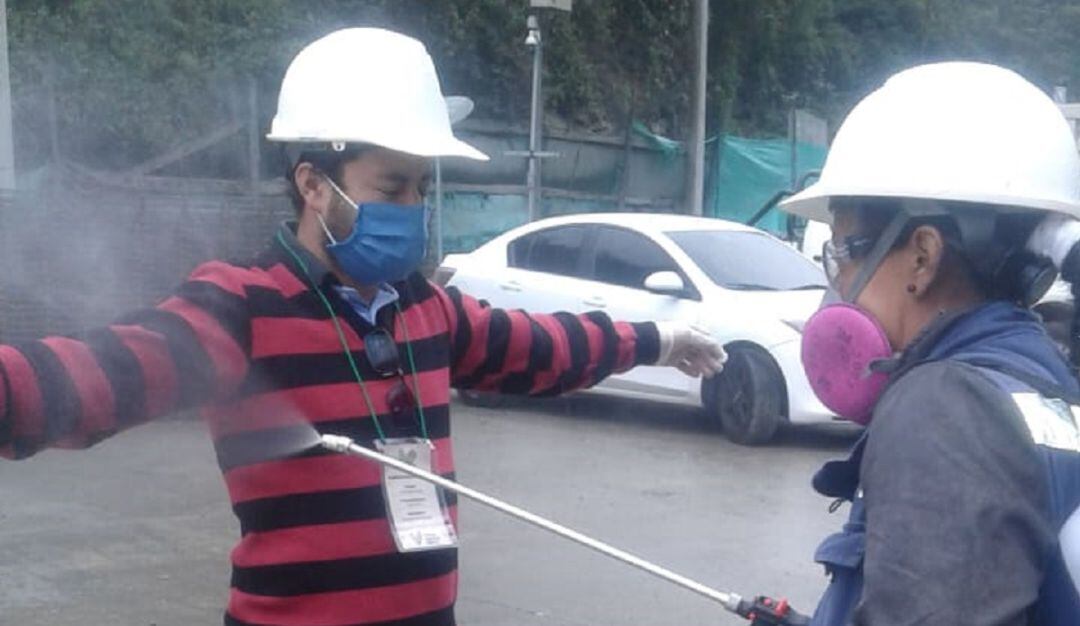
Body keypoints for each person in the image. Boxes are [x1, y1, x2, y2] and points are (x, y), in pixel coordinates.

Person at [0, 28, 725, 626]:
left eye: (419, 188)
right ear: (314, 185)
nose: (413, 207)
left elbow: (540, 347)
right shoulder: (242, 305)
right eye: (391, 188)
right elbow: (107, 372)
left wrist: (657, 341)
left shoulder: (423, 306)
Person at [781, 62, 1080, 625]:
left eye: (842, 255)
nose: (838, 287)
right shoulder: (1037, 381)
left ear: (922, 255)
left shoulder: (946, 408)